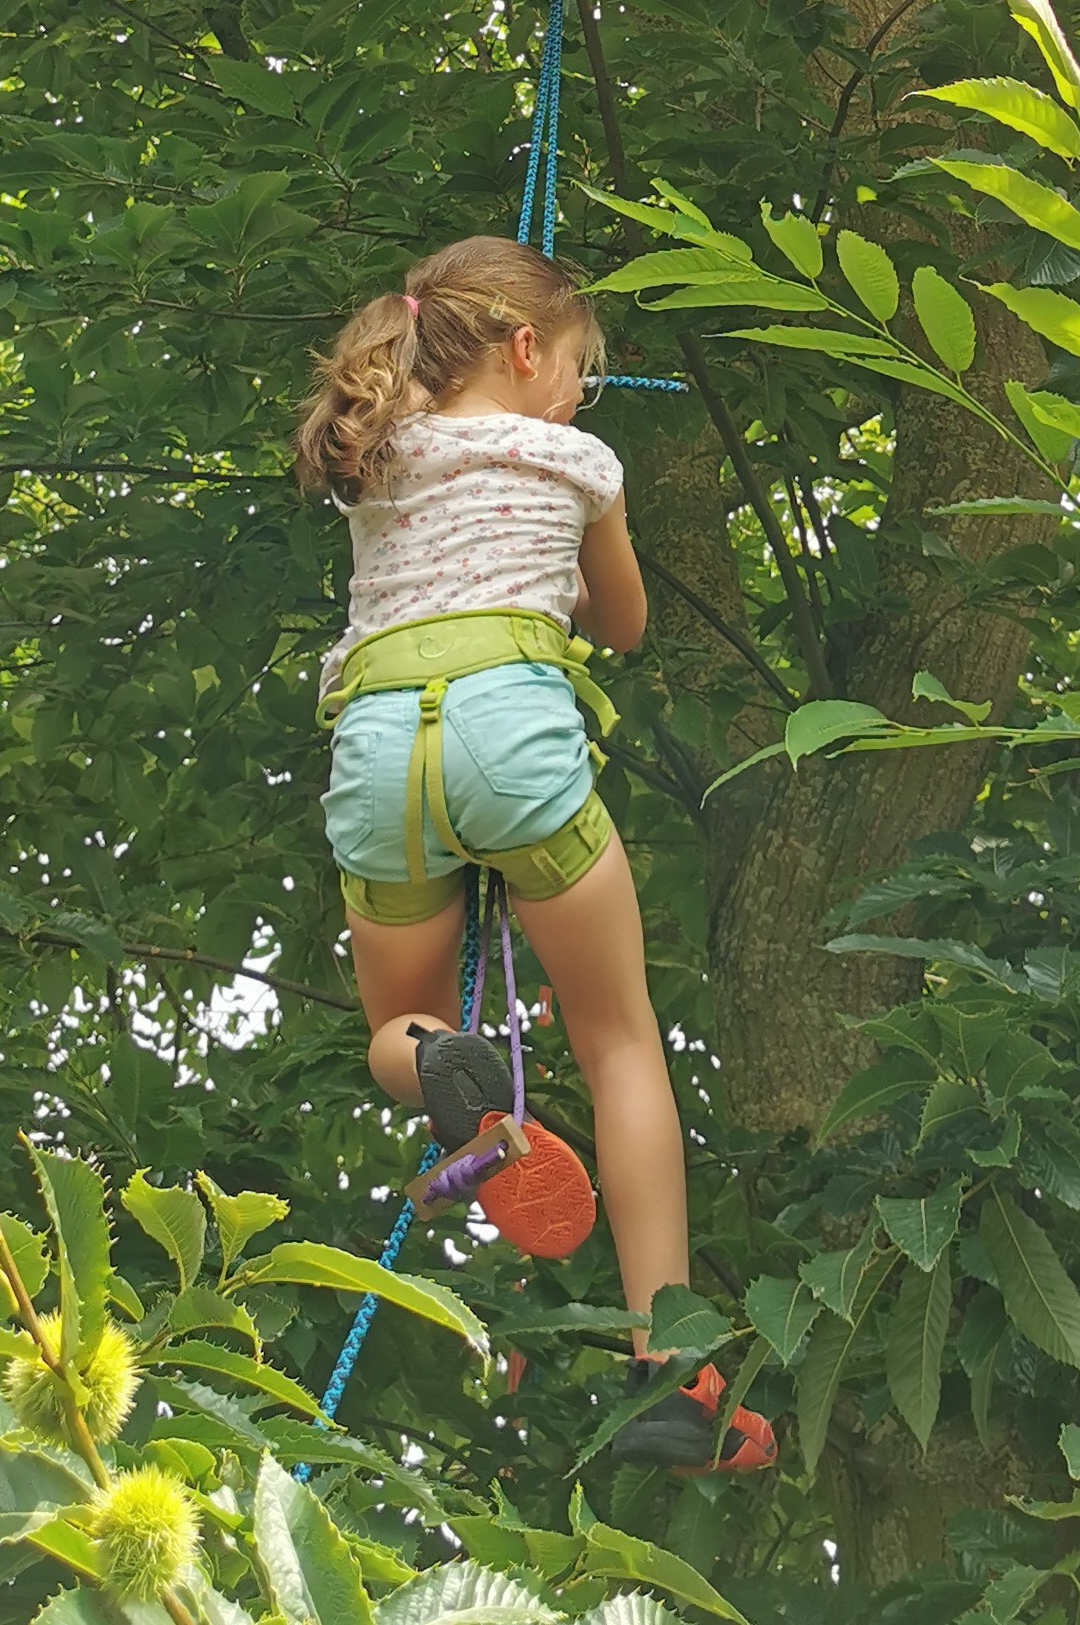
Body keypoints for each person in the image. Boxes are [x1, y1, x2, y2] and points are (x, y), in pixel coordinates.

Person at [296, 234, 775, 1474]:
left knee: (387, 1029)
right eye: (574, 367)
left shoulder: (372, 452)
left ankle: (447, 1064)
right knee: (619, 1035)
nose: (577, 393)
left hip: (379, 746)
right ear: (522, 350)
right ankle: (670, 1366)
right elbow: (622, 625)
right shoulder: (574, 455)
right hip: (509, 734)